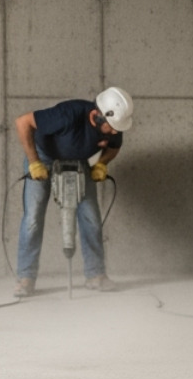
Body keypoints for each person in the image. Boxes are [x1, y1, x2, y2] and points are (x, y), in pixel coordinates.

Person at [12, 87, 134, 295]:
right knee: (33, 218)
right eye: (111, 128)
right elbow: (23, 122)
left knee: (91, 217)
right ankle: (25, 279)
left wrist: (101, 164)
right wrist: (34, 162)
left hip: (79, 161)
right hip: (43, 157)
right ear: (96, 116)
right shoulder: (67, 115)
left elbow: (114, 147)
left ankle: (96, 275)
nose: (115, 132)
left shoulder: (114, 125)